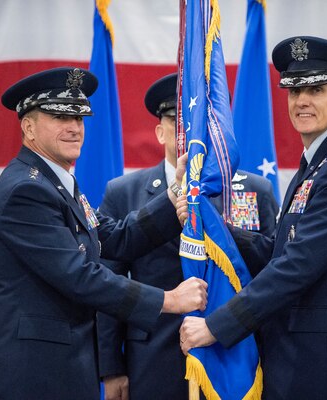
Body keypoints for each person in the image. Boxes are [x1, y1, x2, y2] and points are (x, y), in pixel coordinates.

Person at [179, 37, 327, 399]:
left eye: (316, 89)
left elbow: (297, 266)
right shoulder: (319, 163)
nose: (302, 101)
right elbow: (280, 249)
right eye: (294, 91)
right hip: (303, 363)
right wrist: (212, 225)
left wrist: (217, 326)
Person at [0, 67, 208, 400]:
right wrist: (168, 300)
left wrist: (174, 197)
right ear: (28, 126)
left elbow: (113, 237)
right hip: (34, 375)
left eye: (79, 119)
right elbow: (80, 277)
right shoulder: (25, 191)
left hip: (63, 366)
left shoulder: (53, 182)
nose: (74, 128)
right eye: (60, 117)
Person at [97, 73, 279, 400]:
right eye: (178, 121)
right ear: (160, 131)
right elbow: (109, 283)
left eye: (199, 122)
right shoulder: (124, 192)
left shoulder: (254, 190)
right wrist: (112, 368)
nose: (190, 132)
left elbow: (271, 271)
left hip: (234, 358)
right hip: (153, 359)